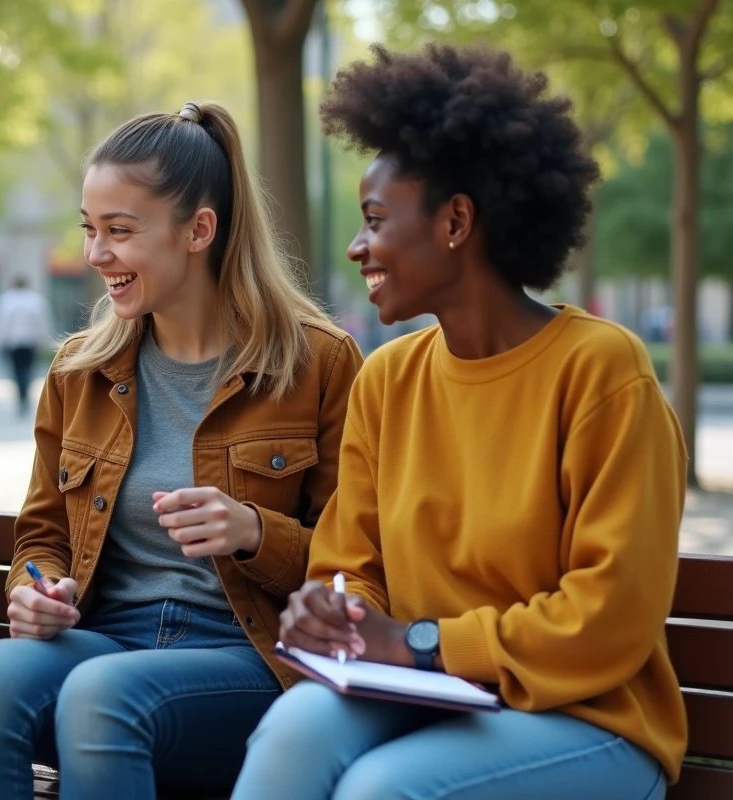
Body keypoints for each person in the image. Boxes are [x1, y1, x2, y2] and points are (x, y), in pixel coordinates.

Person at [232, 44, 685, 800]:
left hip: (593, 719)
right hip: (432, 696)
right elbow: (352, 562)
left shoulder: (603, 370)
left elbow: (610, 615)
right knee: (292, 730)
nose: (355, 246)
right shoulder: (388, 379)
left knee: (383, 791)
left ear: (456, 222)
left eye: (375, 220)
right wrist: (335, 606)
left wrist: (420, 643)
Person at [0, 100, 363, 799]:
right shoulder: (80, 370)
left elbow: (358, 565)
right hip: (108, 641)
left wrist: (255, 531)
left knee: (102, 695)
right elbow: (41, 536)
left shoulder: (318, 363)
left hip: (249, 659)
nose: (95, 254)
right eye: (90, 230)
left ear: (199, 230)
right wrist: (33, 591)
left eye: (119, 231)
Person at [0, 275, 53, 415]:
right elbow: (43, 322)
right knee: (28, 369)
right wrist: (45, 340)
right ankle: (24, 393)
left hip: (13, 342)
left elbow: (0, 323)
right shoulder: (35, 301)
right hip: (30, 342)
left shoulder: (6, 300)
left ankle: (21, 395)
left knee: (16, 371)